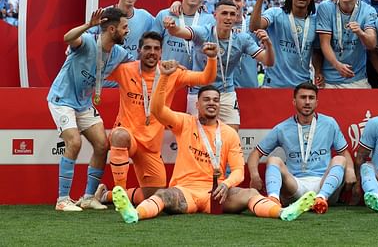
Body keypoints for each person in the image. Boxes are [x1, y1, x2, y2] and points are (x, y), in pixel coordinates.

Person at [112, 71, 301, 223]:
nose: (212, 103)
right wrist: (164, 79)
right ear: (198, 104)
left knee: (250, 193)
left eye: (215, 100)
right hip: (186, 191)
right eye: (207, 100)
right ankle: (135, 215)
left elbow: (238, 171)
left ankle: (281, 213)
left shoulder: (229, 133)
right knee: (163, 194)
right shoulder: (185, 123)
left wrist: (226, 184)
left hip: (217, 193)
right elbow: (157, 110)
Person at [95, 34, 217, 206]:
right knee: (119, 136)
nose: (151, 52)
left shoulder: (171, 73)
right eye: (147, 48)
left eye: (156, 48)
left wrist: (212, 58)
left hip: (151, 146)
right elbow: (96, 70)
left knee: (156, 196)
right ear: (139, 51)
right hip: (128, 136)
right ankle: (119, 196)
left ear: (161, 52)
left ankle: (106, 195)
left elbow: (206, 78)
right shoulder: (125, 69)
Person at [48, 8, 131, 211]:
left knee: (102, 145)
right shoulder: (86, 42)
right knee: (74, 142)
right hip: (62, 99)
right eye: (124, 27)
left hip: (84, 104)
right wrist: (88, 25)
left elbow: (138, 67)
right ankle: (62, 200)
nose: (127, 31)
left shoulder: (119, 53)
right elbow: (67, 37)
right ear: (112, 29)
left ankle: (88, 197)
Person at [247, 82, 356, 217]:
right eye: (303, 97)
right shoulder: (282, 128)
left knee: (340, 159)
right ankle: (273, 200)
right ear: (294, 101)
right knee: (273, 160)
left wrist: (350, 170)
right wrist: (254, 175)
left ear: (316, 102)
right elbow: (255, 154)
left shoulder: (329, 123)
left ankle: (321, 199)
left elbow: (344, 153)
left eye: (311, 98)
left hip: (324, 183)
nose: (307, 102)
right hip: (296, 185)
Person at [163, 0, 274, 131]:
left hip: (226, 92)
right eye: (224, 13)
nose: (228, 18)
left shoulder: (242, 39)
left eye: (232, 14)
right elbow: (178, 31)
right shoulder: (203, 32)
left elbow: (268, 62)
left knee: (232, 132)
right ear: (215, 15)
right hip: (199, 91)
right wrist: (172, 26)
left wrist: (268, 44)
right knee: (197, 135)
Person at [250, 0, 322, 88]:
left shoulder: (315, 21)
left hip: (302, 86)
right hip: (273, 86)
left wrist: (318, 71)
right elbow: (254, 27)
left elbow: (316, 52)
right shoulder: (275, 13)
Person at [316, 0, 378, 88]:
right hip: (329, 79)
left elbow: (372, 44)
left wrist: (360, 33)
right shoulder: (325, 7)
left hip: (356, 78)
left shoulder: (368, 10)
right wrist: (337, 65)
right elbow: (324, 43)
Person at [154, 0, 214, 69]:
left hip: (196, 79)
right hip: (168, 75)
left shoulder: (210, 20)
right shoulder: (164, 15)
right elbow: (152, 45)